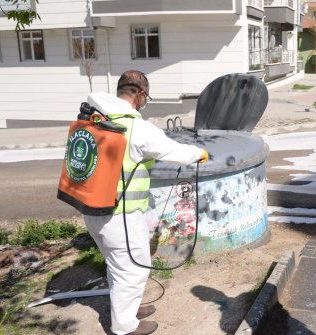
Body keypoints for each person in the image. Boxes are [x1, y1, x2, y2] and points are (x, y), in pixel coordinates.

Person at [83, 70, 208, 335]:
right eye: (146, 97)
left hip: (92, 209)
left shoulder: (95, 119)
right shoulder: (135, 127)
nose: (145, 101)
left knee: (118, 265)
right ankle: (124, 327)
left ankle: (128, 308)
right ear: (140, 94)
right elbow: (175, 151)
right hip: (120, 214)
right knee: (133, 267)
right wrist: (200, 153)